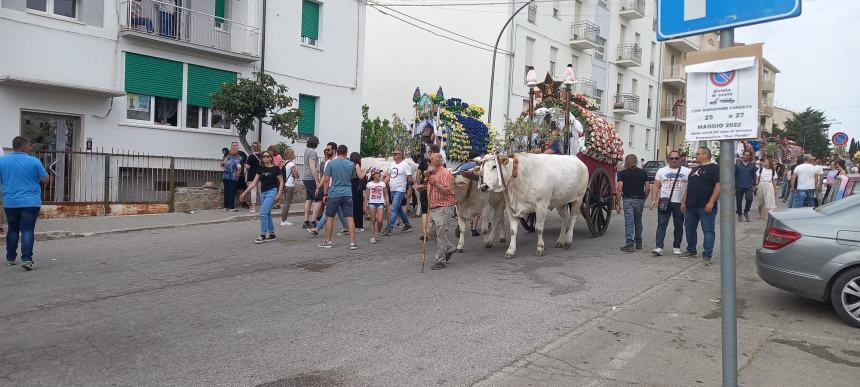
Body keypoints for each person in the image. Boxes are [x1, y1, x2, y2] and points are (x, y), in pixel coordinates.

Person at [0, 137, 50, 270]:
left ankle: (10, 258)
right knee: (27, 230)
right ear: (23, 147)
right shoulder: (33, 161)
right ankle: (26, 259)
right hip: (30, 202)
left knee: (13, 229)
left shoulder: (2, 161)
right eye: (29, 146)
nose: (31, 148)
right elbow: (45, 179)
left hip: (10, 202)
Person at [681, 147, 720, 266]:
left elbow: (718, 186)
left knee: (708, 230)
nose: (695, 155)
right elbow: (689, 186)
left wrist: (711, 202)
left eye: (698, 154)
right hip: (691, 205)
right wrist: (683, 201)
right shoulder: (694, 169)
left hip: (705, 205)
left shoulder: (714, 168)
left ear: (705, 155)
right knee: (689, 228)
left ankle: (707, 255)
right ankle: (691, 250)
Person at [419, 153, 458, 270]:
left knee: (440, 234)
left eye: (430, 161)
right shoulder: (434, 173)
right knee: (430, 233)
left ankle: (440, 261)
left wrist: (435, 184)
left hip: (443, 207)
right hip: (433, 207)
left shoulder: (445, 173)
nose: (428, 163)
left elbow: (447, 191)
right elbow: (435, 186)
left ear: (437, 162)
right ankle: (450, 247)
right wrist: (425, 187)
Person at [317, 145, 359, 250]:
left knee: (330, 217)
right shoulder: (351, 164)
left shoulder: (331, 163)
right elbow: (352, 177)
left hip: (334, 193)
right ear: (346, 152)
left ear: (337, 152)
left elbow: (326, 180)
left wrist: (325, 194)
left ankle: (328, 241)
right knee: (350, 217)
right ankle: (353, 242)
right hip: (347, 193)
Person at [650, 150, 690, 257]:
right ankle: (659, 247)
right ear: (668, 159)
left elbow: (690, 188)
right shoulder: (661, 171)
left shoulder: (687, 171)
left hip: (679, 203)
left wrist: (685, 202)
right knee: (662, 224)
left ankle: (676, 246)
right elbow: (656, 186)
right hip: (664, 201)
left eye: (676, 158)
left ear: (680, 159)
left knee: (678, 225)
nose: (674, 160)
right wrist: (654, 199)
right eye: (671, 158)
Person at [240, 151, 283, 244]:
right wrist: (245, 192)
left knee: (262, 213)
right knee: (267, 214)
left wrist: (279, 194)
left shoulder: (276, 169)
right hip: (263, 193)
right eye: (264, 156)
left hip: (272, 192)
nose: (265, 158)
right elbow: (254, 182)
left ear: (271, 158)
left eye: (267, 156)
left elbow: (281, 181)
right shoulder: (260, 169)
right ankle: (272, 234)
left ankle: (262, 235)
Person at [308, 142, 349, 236]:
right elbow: (325, 177)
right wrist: (318, 187)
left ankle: (317, 229)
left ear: (334, 150)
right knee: (337, 209)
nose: (326, 151)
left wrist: (325, 193)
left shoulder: (338, 161)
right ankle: (346, 227)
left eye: (329, 149)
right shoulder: (327, 162)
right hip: (331, 188)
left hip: (335, 188)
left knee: (329, 209)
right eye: (326, 149)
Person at [615, 154, 649, 252]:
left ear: (626, 162)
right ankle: (639, 242)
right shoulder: (643, 173)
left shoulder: (623, 174)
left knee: (629, 222)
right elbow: (647, 188)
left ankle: (629, 244)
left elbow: (620, 189)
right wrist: (644, 198)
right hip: (640, 199)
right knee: (638, 220)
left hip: (628, 200)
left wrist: (617, 203)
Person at [383, 149, 413, 235]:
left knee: (393, 209)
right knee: (398, 209)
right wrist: (382, 184)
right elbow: (389, 175)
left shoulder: (405, 165)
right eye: (393, 153)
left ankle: (389, 228)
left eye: (395, 154)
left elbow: (409, 178)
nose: (394, 155)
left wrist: (409, 189)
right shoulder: (392, 164)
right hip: (392, 189)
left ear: (400, 155)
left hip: (400, 190)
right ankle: (407, 225)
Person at [301, 136, 321, 229]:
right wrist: (317, 180)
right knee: (318, 199)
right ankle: (313, 221)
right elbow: (312, 167)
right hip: (311, 178)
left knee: (309, 199)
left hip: (305, 177)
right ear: (315, 143)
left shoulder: (306, 150)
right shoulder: (312, 152)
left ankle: (306, 221)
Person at [365, 168, 388, 244]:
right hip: (372, 203)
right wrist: (365, 204)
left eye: (379, 173)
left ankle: (379, 232)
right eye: (378, 173)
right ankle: (372, 236)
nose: (379, 174)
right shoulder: (369, 184)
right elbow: (366, 195)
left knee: (380, 220)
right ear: (373, 175)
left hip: (380, 203)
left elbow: (386, 193)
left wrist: (387, 201)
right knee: (372, 220)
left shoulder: (382, 184)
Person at [734, 150, 757, 222]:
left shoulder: (752, 165)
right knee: (738, 201)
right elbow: (733, 175)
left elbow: (754, 176)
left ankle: (746, 212)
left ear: (750, 156)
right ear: (742, 155)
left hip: (748, 186)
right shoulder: (737, 164)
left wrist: (754, 185)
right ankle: (739, 214)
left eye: (748, 155)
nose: (746, 156)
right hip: (738, 185)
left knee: (750, 199)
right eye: (745, 155)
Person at [280, 148, 299, 226]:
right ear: (290, 155)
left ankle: (283, 219)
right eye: (293, 153)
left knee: (286, 202)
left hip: (285, 184)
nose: (294, 155)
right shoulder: (291, 164)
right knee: (287, 203)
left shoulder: (284, 163)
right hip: (290, 185)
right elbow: (296, 175)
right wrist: (296, 175)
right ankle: (284, 220)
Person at [221, 144, 242, 212]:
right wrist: (238, 172)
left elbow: (222, 165)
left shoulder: (226, 158)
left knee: (226, 192)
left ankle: (225, 207)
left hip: (225, 177)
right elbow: (239, 167)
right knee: (231, 192)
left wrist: (225, 169)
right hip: (232, 177)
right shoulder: (237, 159)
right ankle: (231, 207)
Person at [349, 152, 365, 232]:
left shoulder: (349, 165)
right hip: (356, 186)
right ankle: (359, 225)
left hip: (350, 185)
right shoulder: (357, 165)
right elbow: (360, 176)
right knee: (358, 206)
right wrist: (366, 172)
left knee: (353, 206)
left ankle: (353, 224)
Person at [244, 142, 261, 213]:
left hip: (252, 176)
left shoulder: (251, 156)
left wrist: (244, 164)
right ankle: (263, 206)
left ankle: (253, 208)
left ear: (252, 148)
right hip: (260, 176)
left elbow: (248, 166)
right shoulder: (262, 156)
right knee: (261, 192)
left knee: (253, 191)